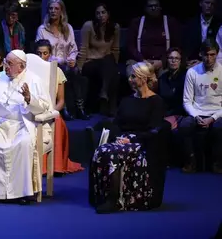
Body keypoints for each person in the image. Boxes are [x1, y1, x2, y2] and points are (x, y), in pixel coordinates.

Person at [0, 50, 53, 205]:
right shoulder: (0, 79)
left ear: (21, 66)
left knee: (23, 144)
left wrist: (29, 98)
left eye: (9, 64)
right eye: (5, 62)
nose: (5, 67)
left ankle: (21, 193)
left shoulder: (34, 80)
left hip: (23, 125)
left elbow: (45, 108)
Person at [89, 61, 166, 213]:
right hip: (124, 139)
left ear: (143, 78)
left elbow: (155, 129)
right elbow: (117, 123)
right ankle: (101, 195)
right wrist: (118, 137)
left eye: (133, 77)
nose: (130, 80)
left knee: (114, 154)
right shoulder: (127, 100)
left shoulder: (156, 101)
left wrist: (132, 139)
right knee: (102, 150)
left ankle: (115, 200)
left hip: (142, 141)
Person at [34, 40, 83, 175]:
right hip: (33, 110)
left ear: (49, 54)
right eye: (38, 53)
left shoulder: (57, 71)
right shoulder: (29, 71)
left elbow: (61, 101)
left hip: (50, 110)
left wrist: (51, 112)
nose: (42, 56)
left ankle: (55, 166)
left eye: (45, 53)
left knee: (57, 123)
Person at [179, 39, 222, 173]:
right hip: (197, 112)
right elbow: (187, 101)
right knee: (185, 125)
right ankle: (191, 161)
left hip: (217, 112)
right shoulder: (192, 72)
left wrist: (213, 118)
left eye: (212, 54)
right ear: (200, 54)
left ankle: (217, 163)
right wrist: (196, 116)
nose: (209, 58)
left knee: (218, 127)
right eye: (206, 55)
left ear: (217, 54)